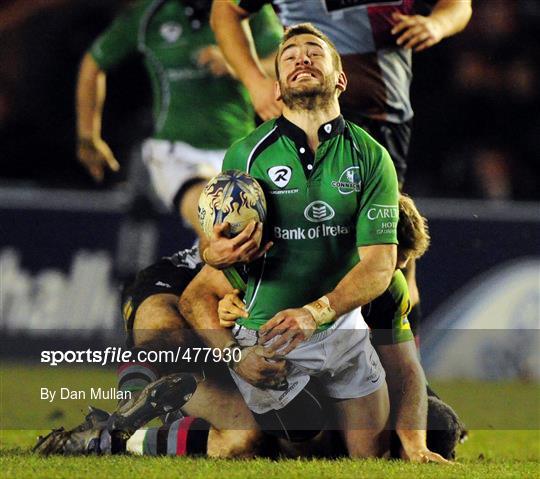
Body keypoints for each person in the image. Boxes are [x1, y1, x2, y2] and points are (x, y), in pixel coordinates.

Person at [179, 23, 402, 459]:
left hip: (342, 331)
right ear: (277, 87)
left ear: (340, 79)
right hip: (269, 338)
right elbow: (217, 250)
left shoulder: (372, 156)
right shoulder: (246, 154)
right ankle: (184, 409)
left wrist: (315, 313)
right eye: (289, 55)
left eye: (314, 52)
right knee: (304, 443)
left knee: (370, 459)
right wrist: (214, 252)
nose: (302, 57)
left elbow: (380, 263)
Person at [210, 0, 472, 322]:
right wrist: (254, 82)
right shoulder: (246, 151)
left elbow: (459, 5)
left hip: (379, 119)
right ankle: (261, 330)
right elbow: (225, 10)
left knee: (395, 259)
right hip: (298, 115)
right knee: (277, 235)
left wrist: (438, 25)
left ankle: (397, 354)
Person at [76, 0, 282, 243]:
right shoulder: (150, 15)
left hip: (240, 154)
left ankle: (178, 275)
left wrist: (238, 63)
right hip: (177, 154)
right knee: (221, 222)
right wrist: (88, 136)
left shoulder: (247, 8)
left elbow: (283, 65)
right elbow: (93, 64)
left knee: (229, 248)